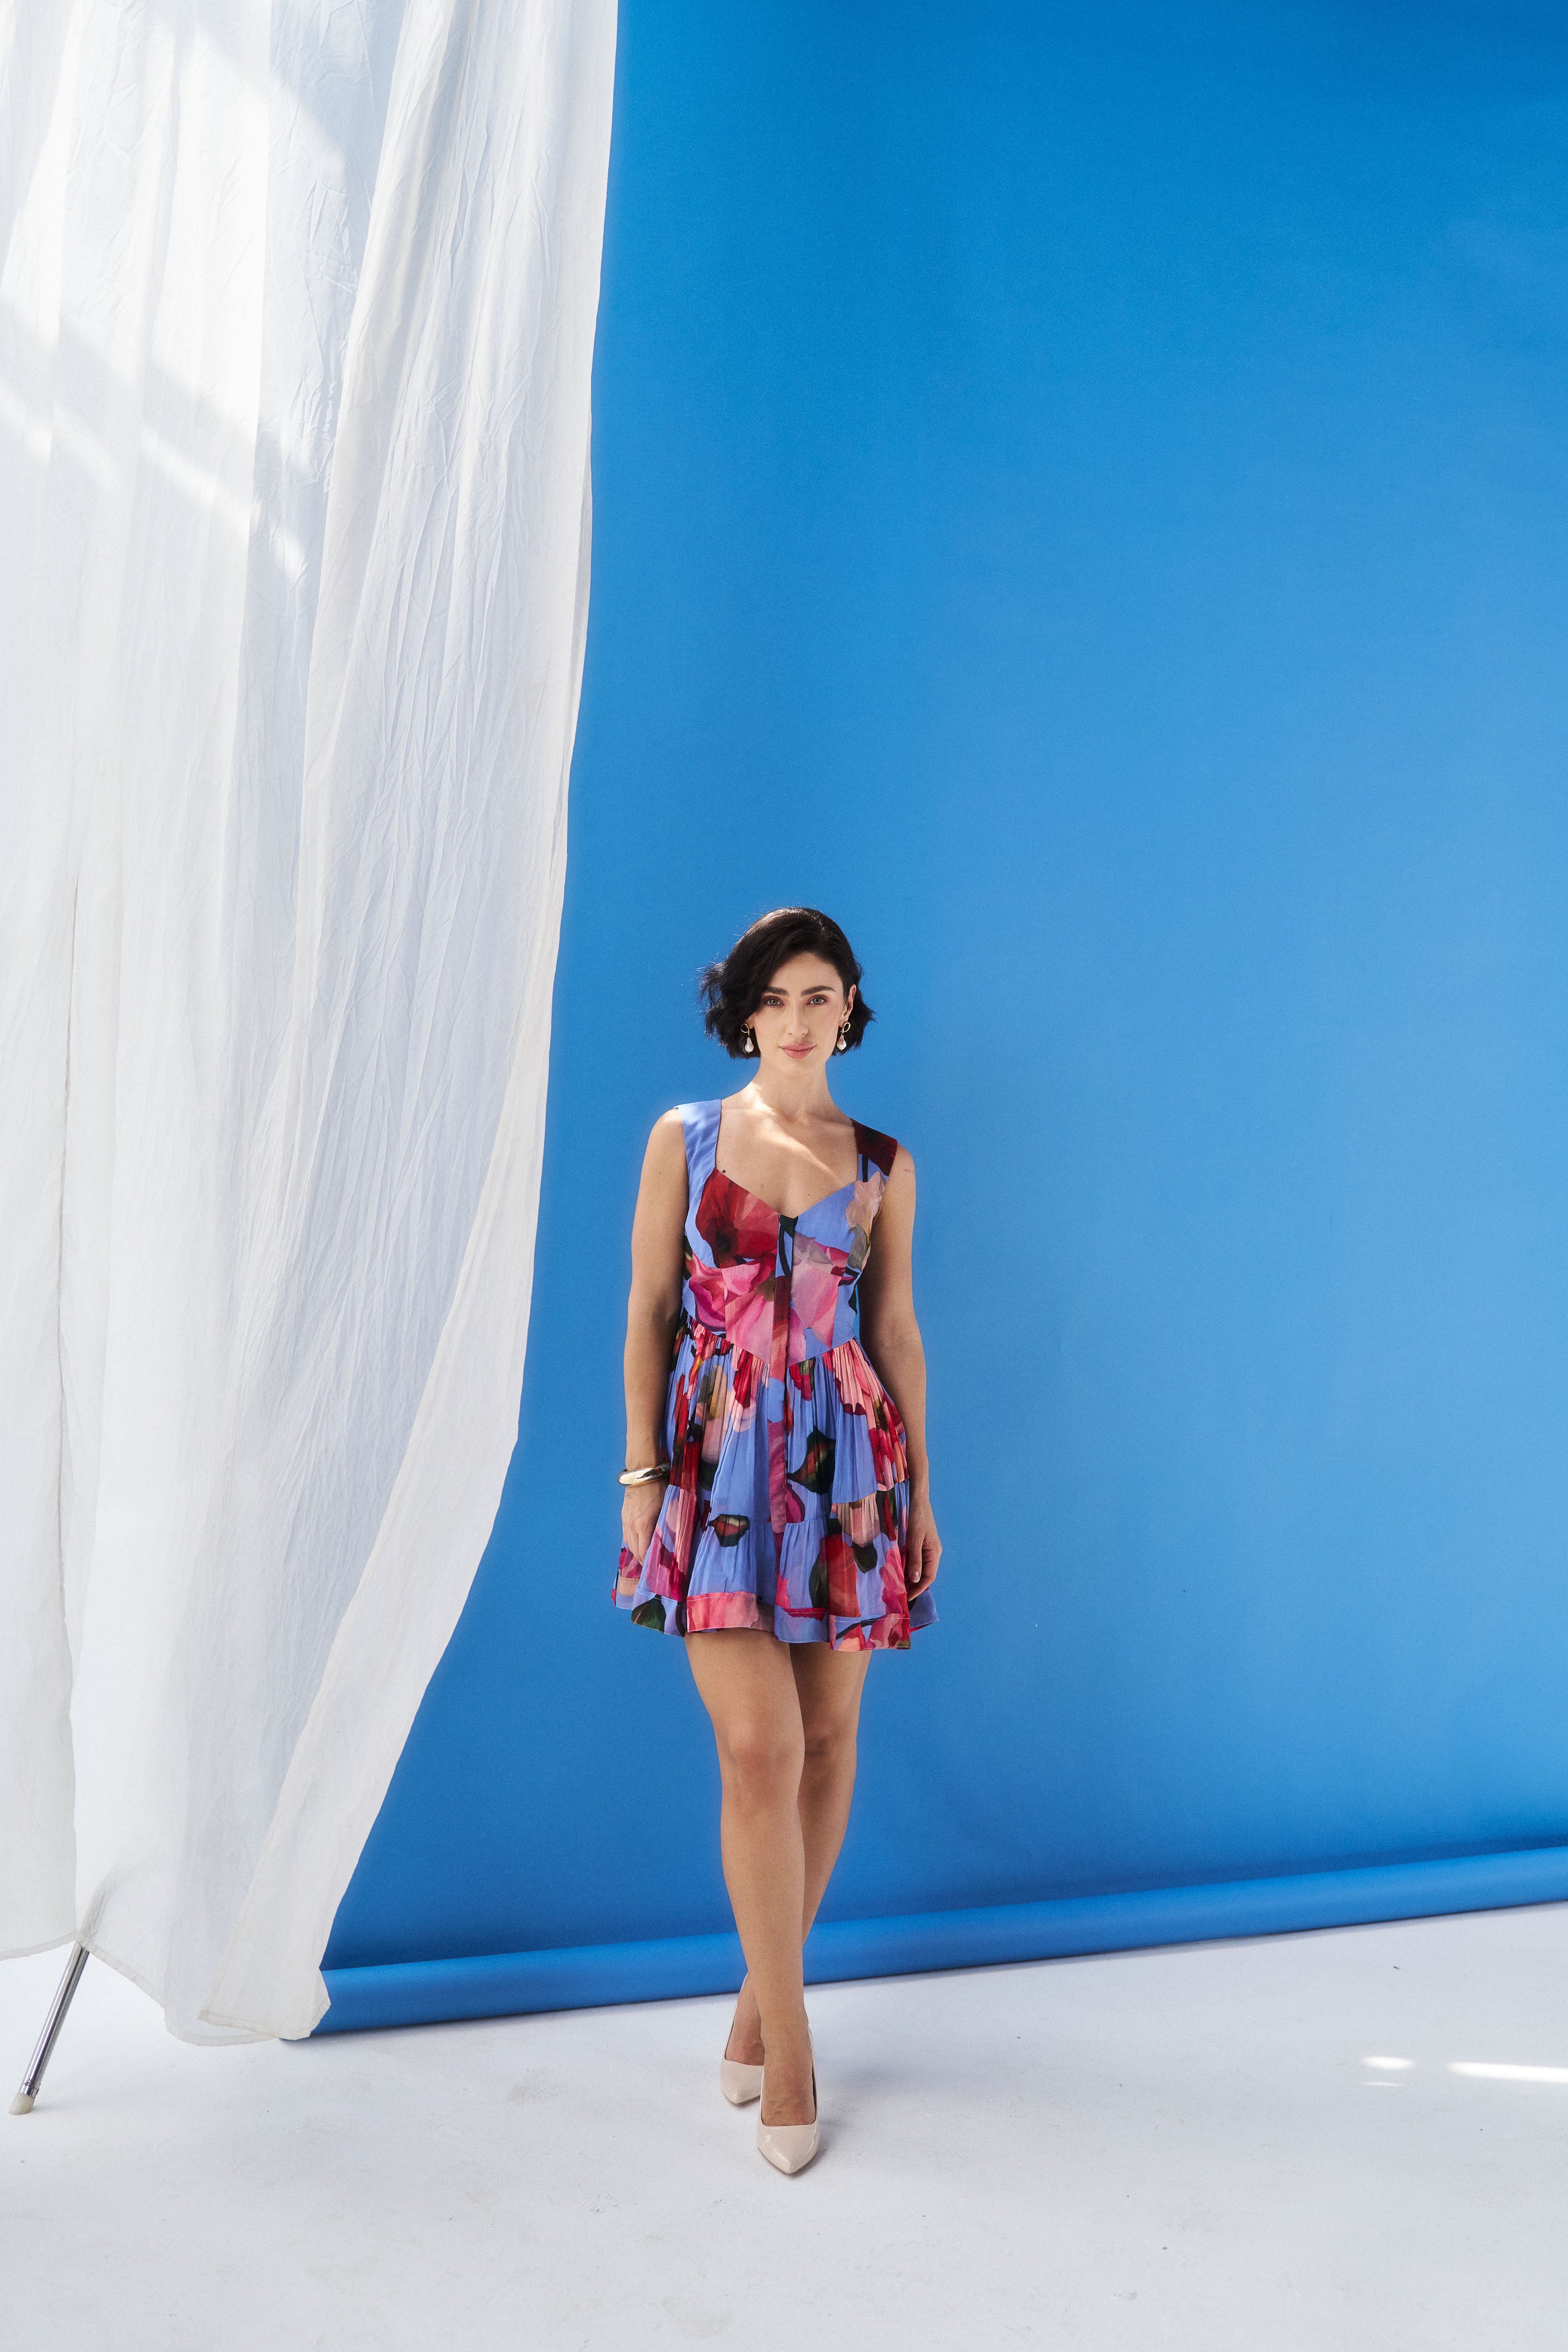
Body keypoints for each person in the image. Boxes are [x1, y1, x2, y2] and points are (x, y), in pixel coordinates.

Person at [613, 906, 941, 2175]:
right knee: (760, 1747)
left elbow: (894, 1328)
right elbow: (648, 1309)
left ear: (848, 1010)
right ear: (743, 1012)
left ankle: (760, 2004)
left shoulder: (882, 1162)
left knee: (831, 1740)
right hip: (717, 1462)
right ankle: (795, 2052)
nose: (798, 1021)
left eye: (821, 997)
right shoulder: (686, 1138)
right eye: (777, 997)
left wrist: (921, 1496)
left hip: (849, 1464)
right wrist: (642, 1472)